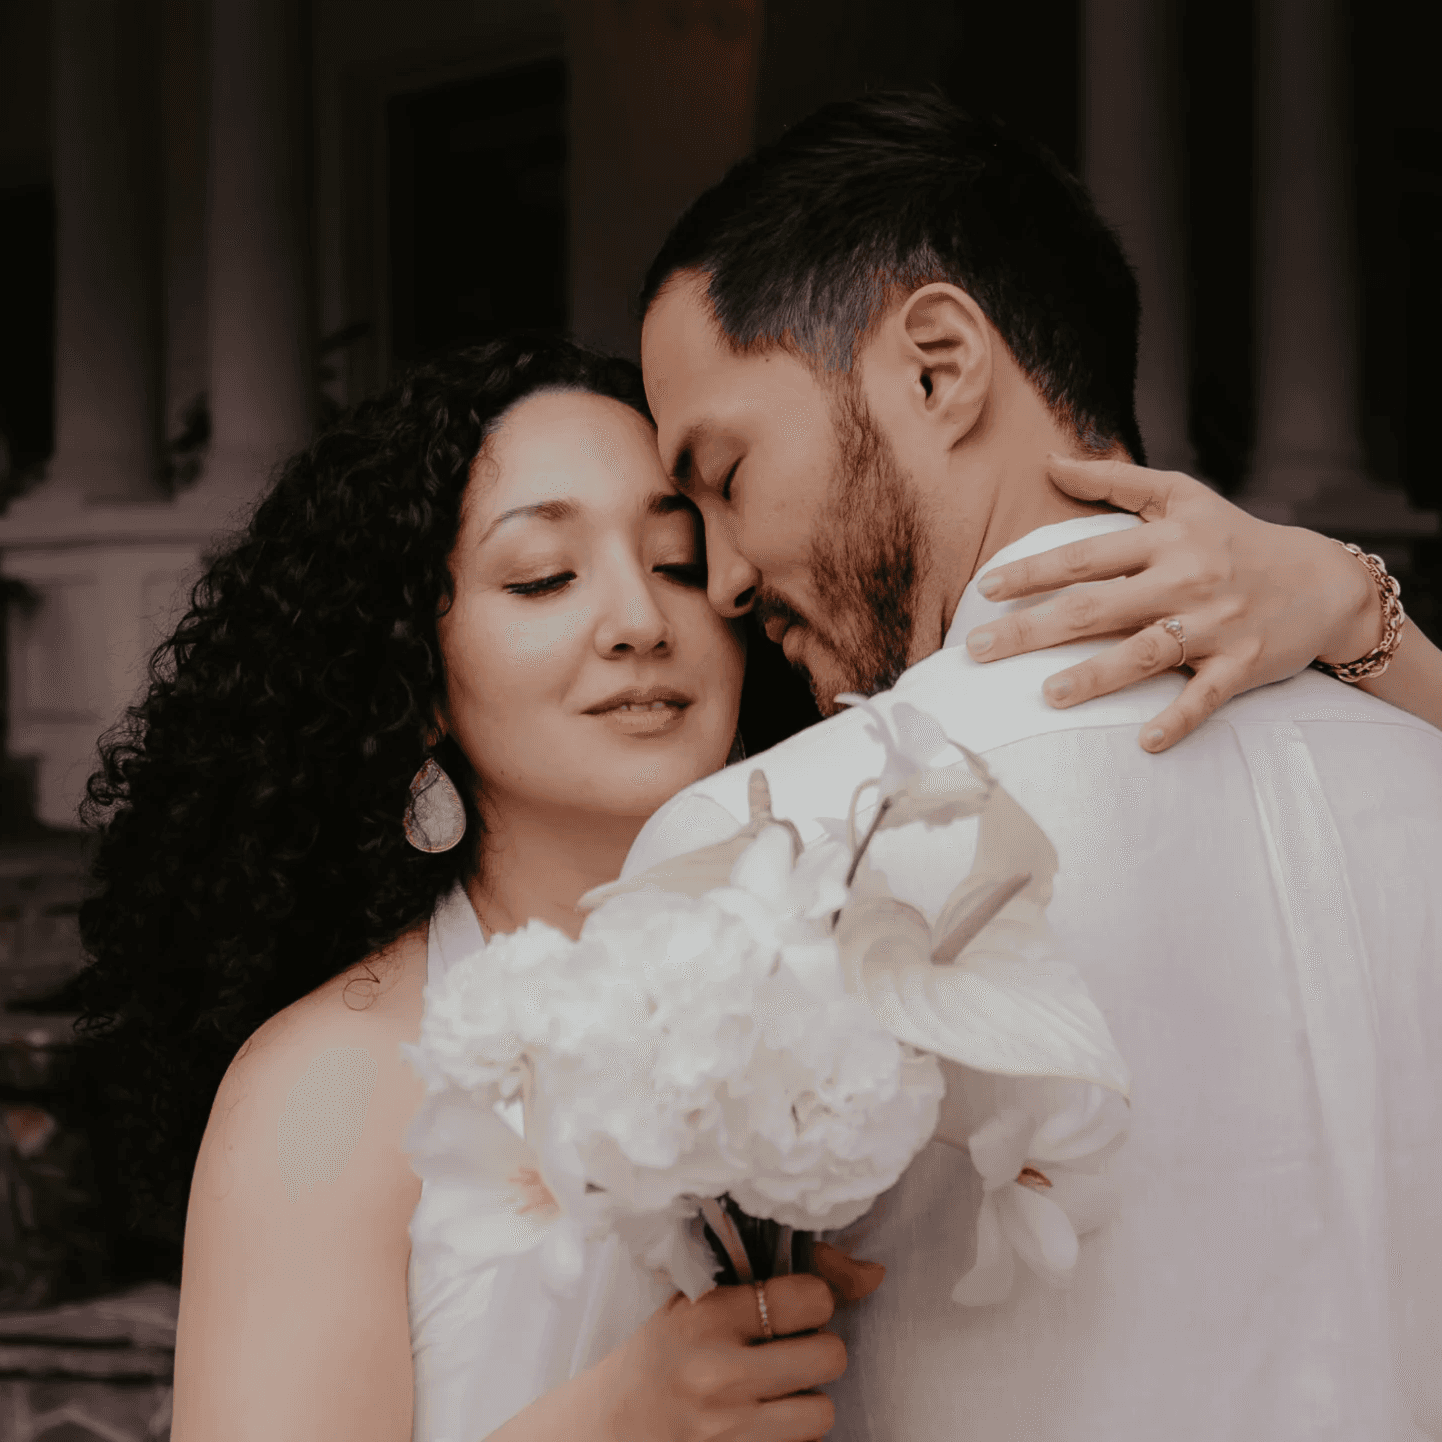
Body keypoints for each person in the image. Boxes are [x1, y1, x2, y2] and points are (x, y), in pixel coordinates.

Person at [72, 256, 1438, 1442]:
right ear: (416, 680)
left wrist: (1349, 604)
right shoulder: (334, 1081)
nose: (639, 621)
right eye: (543, 576)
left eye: (681, 560)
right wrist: (613, 1421)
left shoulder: (879, 942)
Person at [625, 92, 1442, 1439]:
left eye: (724, 473)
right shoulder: (1417, 768)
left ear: (938, 367)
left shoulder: (762, 847)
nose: (720, 579)